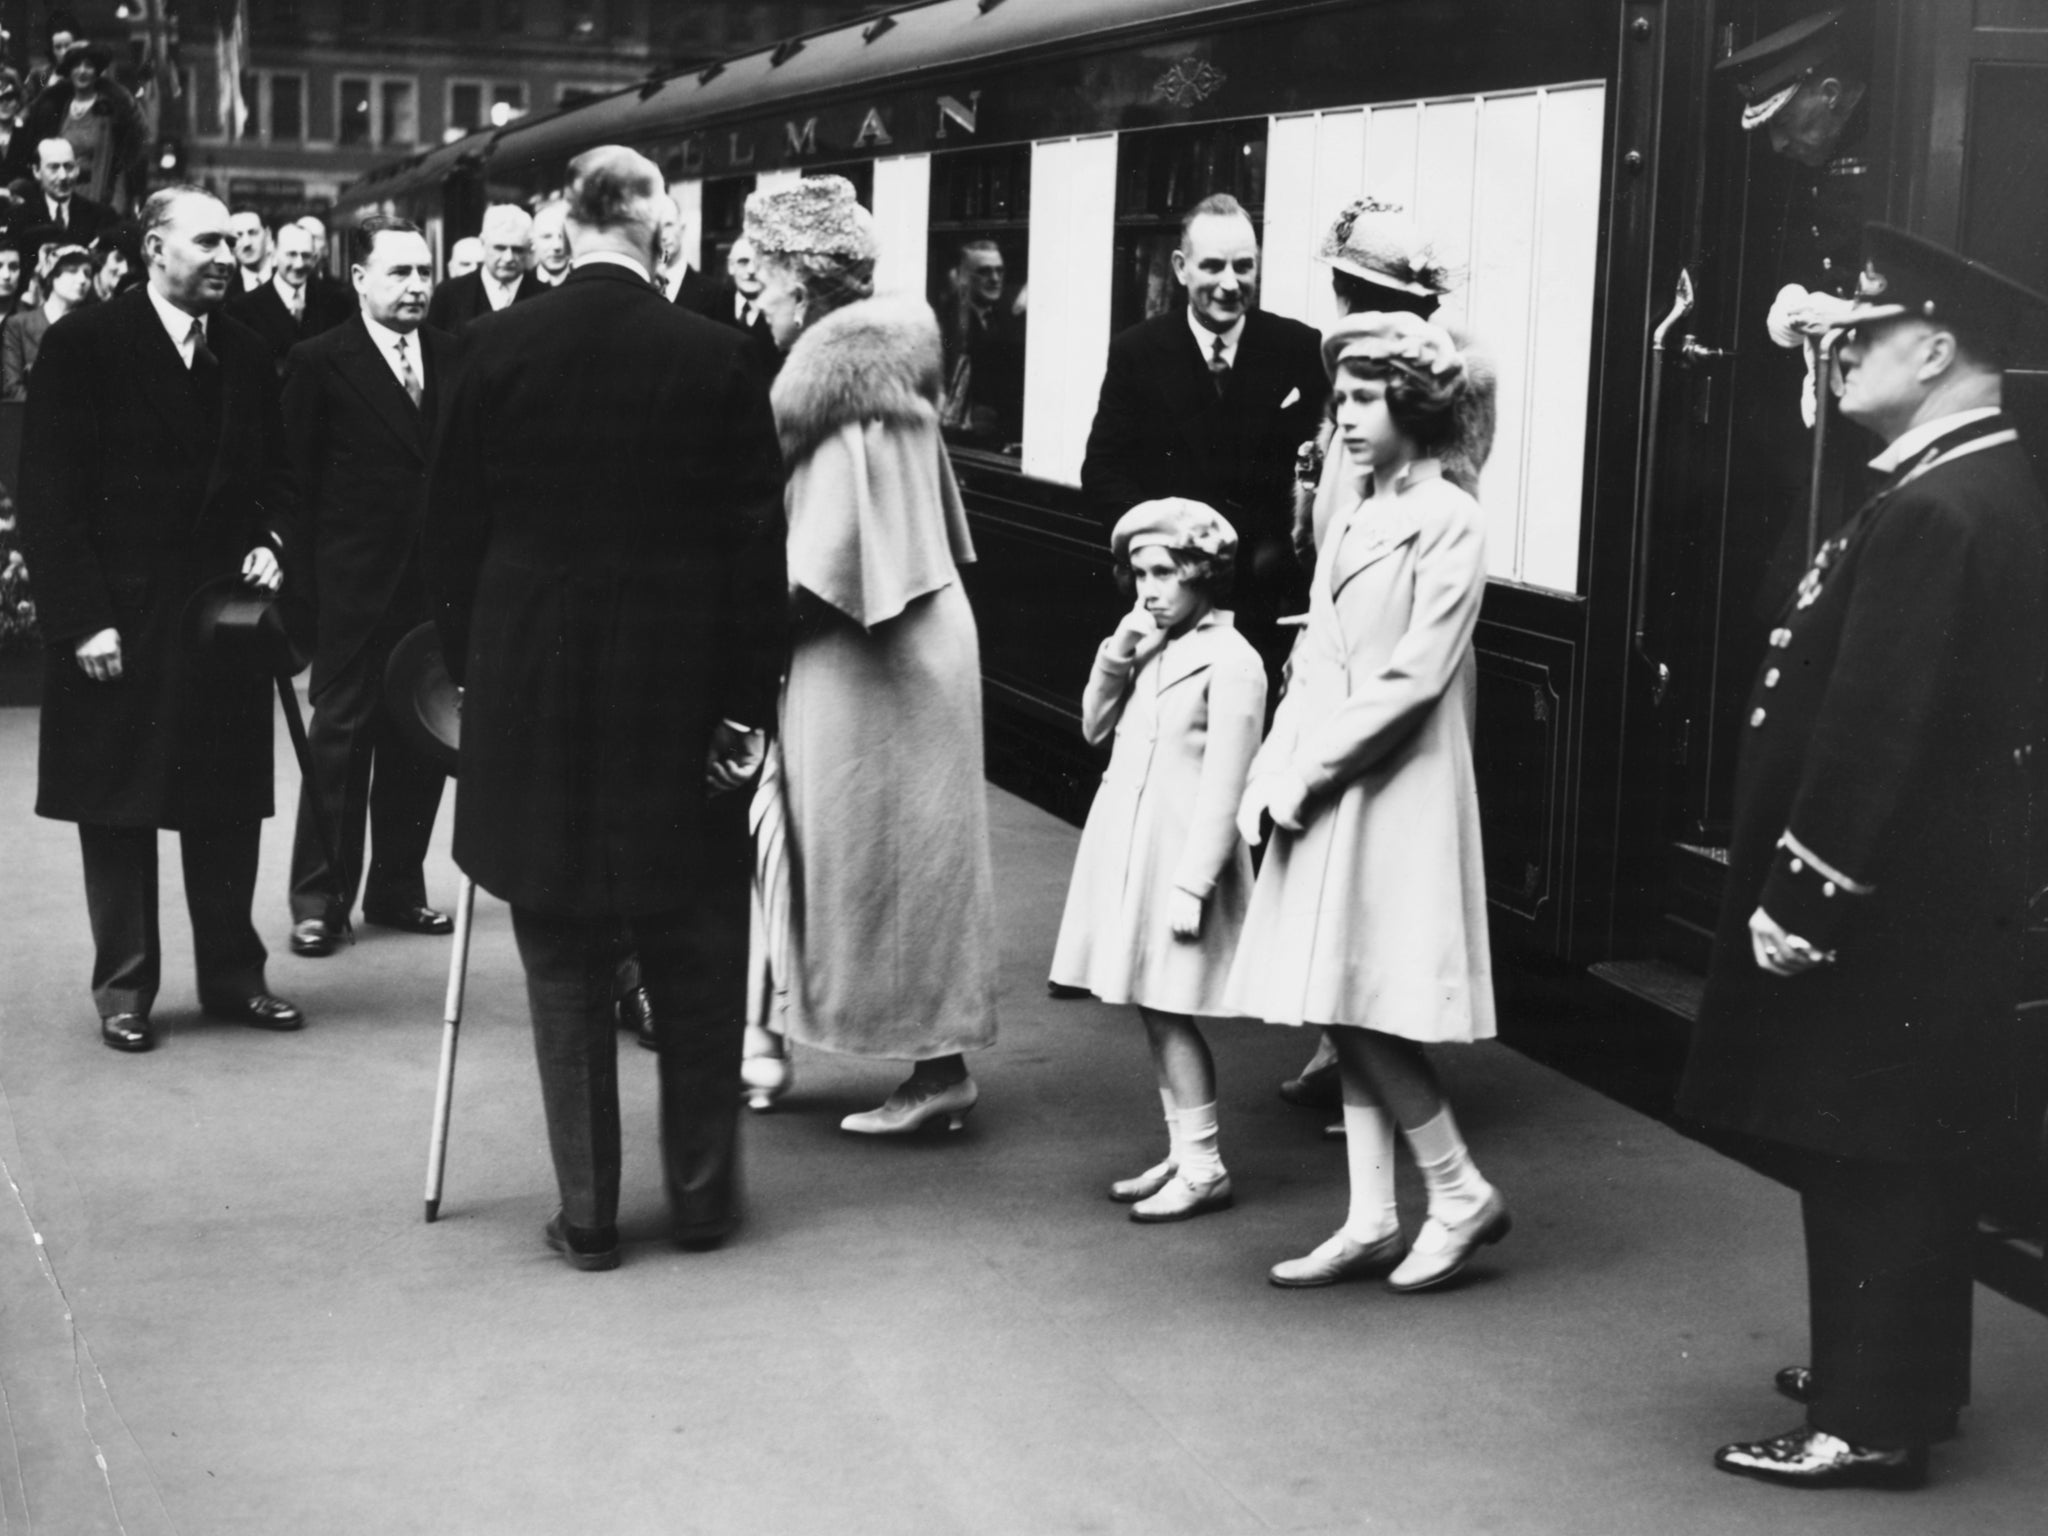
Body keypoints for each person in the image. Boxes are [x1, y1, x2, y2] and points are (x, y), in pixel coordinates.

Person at [1677, 227, 2048, 1491]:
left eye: (1863, 334)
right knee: (1897, 1143)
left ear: (1933, 346)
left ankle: (1868, 1416)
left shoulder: (1936, 509)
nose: (1838, 352)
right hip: (1934, 900)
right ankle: (1885, 1374)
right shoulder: (1958, 482)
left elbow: (1876, 724)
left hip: (1886, 901)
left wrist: (1804, 890)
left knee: (1863, 1145)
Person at [423, 145, 786, 1269]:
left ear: (563, 228)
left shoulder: (488, 347)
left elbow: (447, 535)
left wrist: (473, 673)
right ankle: (699, 1200)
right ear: (655, 228)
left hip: (535, 693)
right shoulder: (720, 356)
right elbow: (751, 549)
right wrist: (740, 705)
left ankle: (586, 1214)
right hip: (676, 696)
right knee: (692, 941)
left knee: (562, 946)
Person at [1224, 312, 1505, 1292]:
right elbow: (1316, 662)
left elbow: (1412, 680)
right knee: (1336, 996)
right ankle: (1372, 1217)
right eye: (1336, 396)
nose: (1338, 417)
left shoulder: (1451, 521)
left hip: (1393, 786)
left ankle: (1456, 1189)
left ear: (1413, 404)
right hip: (1332, 780)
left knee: (1365, 1001)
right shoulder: (1353, 513)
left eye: (1358, 398)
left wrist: (1306, 774)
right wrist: (1268, 770)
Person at [13, 185, 306, 1054]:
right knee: (120, 806)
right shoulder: (85, 346)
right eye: (207, 242)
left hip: (221, 621)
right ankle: (126, 988)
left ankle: (233, 978)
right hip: (122, 622)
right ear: (153, 249)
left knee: (223, 806)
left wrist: (273, 543)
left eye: (232, 244)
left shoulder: (249, 353)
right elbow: (48, 499)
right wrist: (81, 621)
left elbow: (280, 477)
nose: (227, 256)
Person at [743, 174, 999, 1133]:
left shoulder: (846, 393)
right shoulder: (877, 376)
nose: (754, 298)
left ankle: (937, 1075)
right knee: (883, 862)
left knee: (896, 866)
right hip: (893, 655)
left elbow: (824, 574)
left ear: (804, 287)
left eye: (763, 278)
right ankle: (919, 1061)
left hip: (879, 667)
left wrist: (740, 632)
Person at [1278, 197, 1494, 1115]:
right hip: (1343, 624)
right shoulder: (1362, 381)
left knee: (1388, 864)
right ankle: (1347, 1047)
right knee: (1347, 856)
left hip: (1403, 638)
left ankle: (1377, 1057)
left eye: (1354, 289)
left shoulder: (1443, 379)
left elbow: (1429, 496)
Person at [1049, 498, 1264, 1221]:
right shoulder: (1148, 642)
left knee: (1172, 1012)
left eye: (1165, 573)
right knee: (1152, 1006)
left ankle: (1205, 1165)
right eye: (1139, 573)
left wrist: (1194, 883)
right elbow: (1092, 725)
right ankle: (1183, 1151)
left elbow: (1228, 786)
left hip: (1180, 860)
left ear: (1203, 572)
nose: (1149, 589)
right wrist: (1117, 649)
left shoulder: (1234, 663)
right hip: (1130, 849)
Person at [280, 216, 455, 958]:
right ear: (359, 279)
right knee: (340, 749)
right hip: (353, 594)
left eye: (424, 272)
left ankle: (396, 888)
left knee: (421, 741)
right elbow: (294, 484)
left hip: (434, 594)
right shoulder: (320, 361)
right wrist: (309, 595)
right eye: (399, 273)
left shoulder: (453, 355)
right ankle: (320, 900)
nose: (416, 286)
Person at [1081, 193, 1326, 689]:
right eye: (1212, 266)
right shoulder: (1138, 352)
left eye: (1244, 266)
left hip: (1265, 602)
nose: (1230, 284)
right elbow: (1102, 470)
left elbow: (1321, 468)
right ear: (1180, 267)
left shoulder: (1298, 348)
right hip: (1170, 603)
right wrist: (1162, 551)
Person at [16, 43, 143, 212]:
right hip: (60, 194)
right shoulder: (58, 109)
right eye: (77, 66)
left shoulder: (109, 109)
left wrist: (114, 207)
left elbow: (120, 165)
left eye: (88, 66)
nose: (82, 71)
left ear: (97, 71)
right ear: (69, 71)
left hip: (96, 194)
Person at [936, 237, 1024, 452]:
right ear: (963, 276)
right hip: (964, 444)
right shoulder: (948, 325)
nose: (995, 279)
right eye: (984, 271)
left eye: (999, 271)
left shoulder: (1000, 319)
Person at [229, 217, 350, 370]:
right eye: (291, 255)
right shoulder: (243, 308)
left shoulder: (336, 302)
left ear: (314, 258)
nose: (299, 264)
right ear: (273, 254)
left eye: (305, 256)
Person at [425, 204, 543, 333]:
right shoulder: (448, 294)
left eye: (518, 250)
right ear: (482, 243)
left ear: (529, 249)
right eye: (499, 248)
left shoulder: (544, 295)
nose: (508, 258)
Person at [0, 241, 90, 399]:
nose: (82, 280)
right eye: (73, 271)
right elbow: (12, 386)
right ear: (51, 275)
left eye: (87, 273)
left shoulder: (91, 326)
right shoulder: (19, 325)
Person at [12, 137, 113, 243]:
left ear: (77, 169)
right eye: (54, 167)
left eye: (68, 167)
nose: (63, 176)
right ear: (36, 171)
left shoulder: (99, 215)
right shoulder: (19, 218)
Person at [652, 193, 712, 312]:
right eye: (657, 227)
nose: (663, 235)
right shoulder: (641, 287)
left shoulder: (713, 293)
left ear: (682, 228)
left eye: (669, 225)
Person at [529, 197, 571, 288]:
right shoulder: (523, 287)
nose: (557, 246)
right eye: (547, 237)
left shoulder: (585, 281)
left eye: (563, 237)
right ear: (532, 242)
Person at [229, 207, 270, 293]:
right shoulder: (227, 288)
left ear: (267, 235)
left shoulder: (287, 276)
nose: (247, 243)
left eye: (253, 233)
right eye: (238, 236)